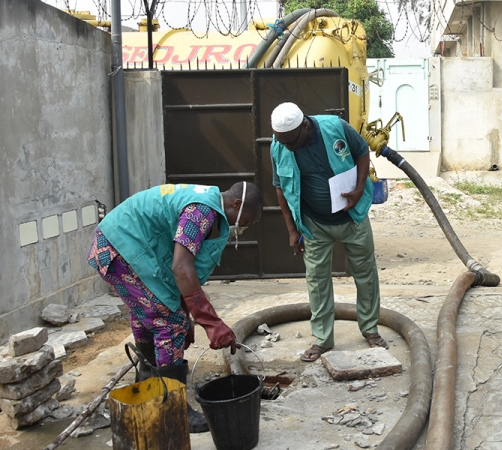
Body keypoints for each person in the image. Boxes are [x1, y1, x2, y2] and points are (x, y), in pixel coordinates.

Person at [87, 181, 263, 433]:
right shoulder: (201, 211)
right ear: (236, 205)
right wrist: (211, 323)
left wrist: (187, 313)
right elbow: (181, 267)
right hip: (118, 249)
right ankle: (173, 410)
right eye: (246, 221)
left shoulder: (206, 205)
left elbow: (181, 272)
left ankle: (149, 390)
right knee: (168, 324)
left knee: (152, 318)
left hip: (115, 245)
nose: (245, 227)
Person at [269, 102, 386, 362]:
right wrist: (291, 229)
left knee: (365, 272)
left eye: (290, 141)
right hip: (313, 225)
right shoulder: (279, 145)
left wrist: (358, 189)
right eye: (281, 141)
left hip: (351, 217)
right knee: (317, 280)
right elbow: (280, 187)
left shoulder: (335, 127)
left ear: (304, 127)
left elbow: (362, 152)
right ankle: (322, 339)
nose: (286, 146)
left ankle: (371, 330)